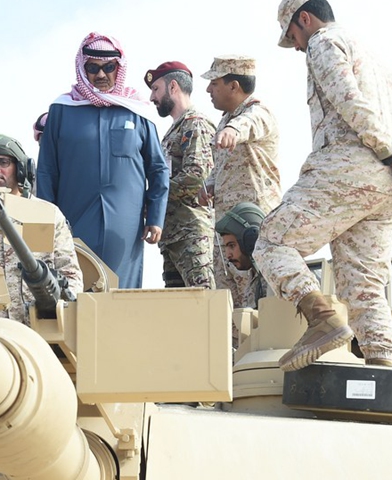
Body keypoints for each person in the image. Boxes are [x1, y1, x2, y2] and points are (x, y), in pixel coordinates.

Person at [253, 0, 392, 372]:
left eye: (293, 35)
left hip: (351, 169)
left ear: (304, 18)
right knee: (363, 282)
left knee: (271, 242)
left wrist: (391, 155)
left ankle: (322, 319)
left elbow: (349, 101)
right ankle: (381, 365)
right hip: (390, 188)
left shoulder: (324, 41)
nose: (296, 45)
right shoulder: (375, 59)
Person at [36, 32, 170, 289]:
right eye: (93, 68)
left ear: (118, 68)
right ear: (82, 68)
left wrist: (155, 217)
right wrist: (44, 223)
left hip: (126, 227)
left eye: (109, 68)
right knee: (74, 291)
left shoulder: (137, 111)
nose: (101, 75)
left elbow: (157, 168)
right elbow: (46, 171)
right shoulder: (62, 110)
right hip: (71, 221)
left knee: (122, 295)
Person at [0, 134, 83, 325]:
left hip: (36, 329)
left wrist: (62, 318)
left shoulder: (46, 213)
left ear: (21, 168)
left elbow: (69, 273)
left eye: (3, 162)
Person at [199, 55, 282, 306]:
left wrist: (234, 131)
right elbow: (222, 164)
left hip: (251, 227)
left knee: (256, 293)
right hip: (227, 226)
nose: (208, 89)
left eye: (214, 83)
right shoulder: (225, 120)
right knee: (227, 292)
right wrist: (211, 184)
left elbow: (249, 124)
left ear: (234, 86)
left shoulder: (257, 112)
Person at [145, 61, 215, 289]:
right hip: (173, 237)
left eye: (156, 89)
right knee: (179, 310)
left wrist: (153, 199)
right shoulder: (172, 133)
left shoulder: (196, 125)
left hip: (192, 235)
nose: (152, 97)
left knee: (204, 304)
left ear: (173, 86)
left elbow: (196, 178)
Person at [215, 203, 268, 309]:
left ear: (251, 241)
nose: (228, 254)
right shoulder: (253, 279)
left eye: (232, 245)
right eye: (226, 247)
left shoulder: (273, 279)